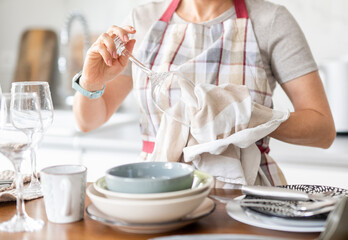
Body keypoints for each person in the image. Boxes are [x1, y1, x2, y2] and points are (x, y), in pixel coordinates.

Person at [72, 0, 336, 186]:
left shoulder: (271, 21)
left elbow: (322, 129)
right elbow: (88, 121)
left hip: (245, 194)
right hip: (157, 188)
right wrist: (91, 80)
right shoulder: (140, 23)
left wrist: (248, 117)